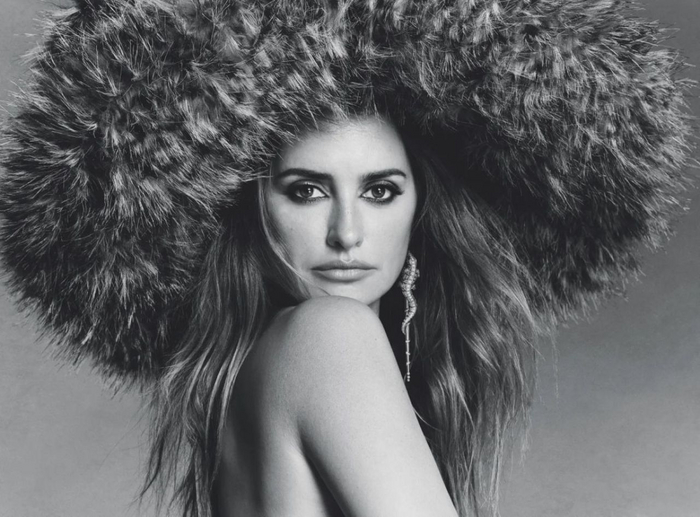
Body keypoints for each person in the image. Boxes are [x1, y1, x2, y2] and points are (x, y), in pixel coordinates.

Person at [0, 1, 694, 517]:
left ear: (421, 210)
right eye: (306, 190)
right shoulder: (326, 335)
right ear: (250, 208)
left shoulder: (253, 375)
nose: (347, 233)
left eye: (380, 191)